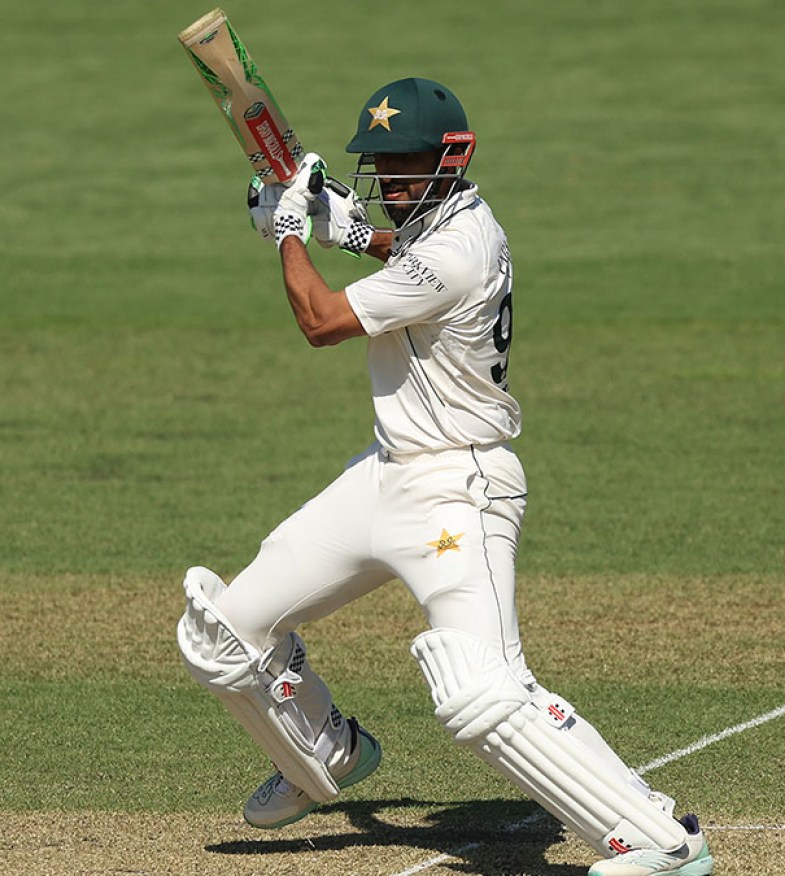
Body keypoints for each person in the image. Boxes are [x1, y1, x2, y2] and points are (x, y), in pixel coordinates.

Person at [176, 77, 713, 876]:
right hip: (384, 477)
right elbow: (409, 253)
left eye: (406, 163)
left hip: (459, 488)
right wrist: (352, 234)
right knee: (223, 632)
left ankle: (662, 841)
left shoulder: (457, 251)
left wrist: (290, 231)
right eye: (380, 165)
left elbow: (321, 322)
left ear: (450, 158)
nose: (390, 181)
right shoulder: (455, 224)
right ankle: (322, 756)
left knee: (479, 693)